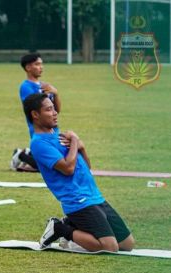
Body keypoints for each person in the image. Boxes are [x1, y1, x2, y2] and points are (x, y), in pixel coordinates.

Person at [24, 93, 135, 252]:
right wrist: (75, 141)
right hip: (77, 201)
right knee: (110, 248)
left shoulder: (58, 134)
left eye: (54, 108)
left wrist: (81, 147)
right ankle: (60, 228)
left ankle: (71, 224)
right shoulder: (39, 143)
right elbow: (68, 169)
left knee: (127, 244)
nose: (55, 113)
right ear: (35, 114)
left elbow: (86, 167)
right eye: (49, 109)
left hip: (94, 195)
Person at [11, 53, 62, 172]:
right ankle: (20, 155)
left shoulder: (45, 86)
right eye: (37, 64)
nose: (41, 67)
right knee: (50, 165)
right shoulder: (26, 86)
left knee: (56, 160)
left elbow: (57, 110)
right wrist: (46, 94)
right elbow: (34, 106)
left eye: (41, 64)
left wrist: (56, 93)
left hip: (53, 127)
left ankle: (28, 153)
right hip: (39, 128)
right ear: (28, 67)